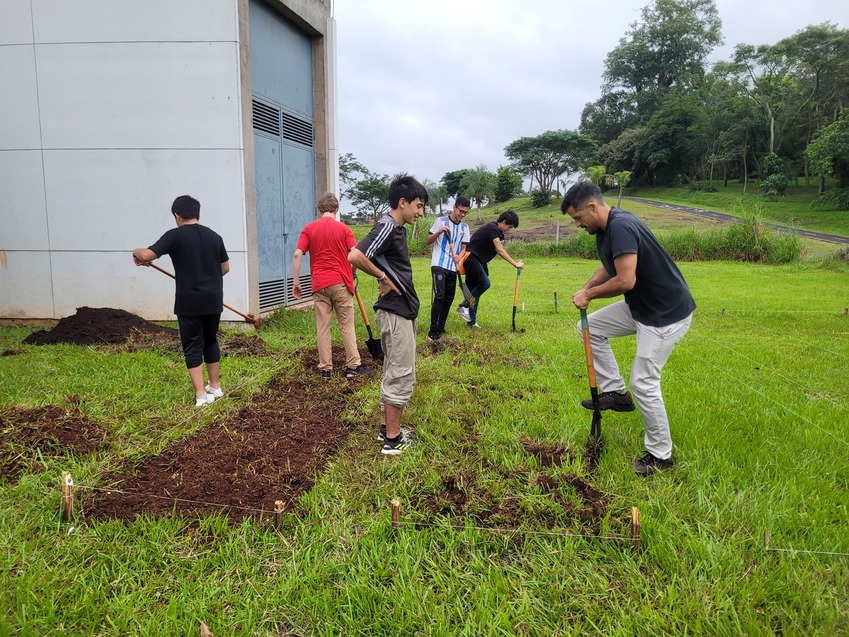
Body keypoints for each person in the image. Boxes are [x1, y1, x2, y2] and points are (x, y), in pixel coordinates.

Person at [562, 181, 696, 476]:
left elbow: (625, 280)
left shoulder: (621, 226)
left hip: (664, 314)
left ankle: (661, 456)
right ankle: (617, 394)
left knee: (644, 382)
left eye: (578, 218)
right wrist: (586, 288)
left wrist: (590, 296)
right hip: (641, 307)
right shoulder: (604, 230)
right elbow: (610, 268)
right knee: (592, 327)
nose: (577, 224)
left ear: (593, 207)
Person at [348, 173, 428, 455]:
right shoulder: (388, 226)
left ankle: (386, 431)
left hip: (399, 310)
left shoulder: (395, 229)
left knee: (394, 368)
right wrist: (382, 276)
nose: (420, 212)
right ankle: (393, 440)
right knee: (400, 373)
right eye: (418, 206)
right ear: (402, 202)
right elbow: (355, 255)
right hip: (395, 312)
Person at [133, 195, 230, 407]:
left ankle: (201, 396)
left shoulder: (175, 236)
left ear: (177, 216)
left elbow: (148, 254)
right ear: (197, 213)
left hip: (190, 301)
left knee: (192, 344)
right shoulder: (215, 236)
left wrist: (136, 252)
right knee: (210, 339)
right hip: (214, 298)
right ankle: (215, 387)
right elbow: (225, 268)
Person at [292, 192, 371, 379]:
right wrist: (352, 272)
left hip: (319, 284)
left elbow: (297, 254)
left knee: (323, 327)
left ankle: (326, 369)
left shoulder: (309, 229)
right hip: (341, 282)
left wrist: (296, 282)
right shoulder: (344, 230)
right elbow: (355, 254)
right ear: (336, 210)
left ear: (320, 210)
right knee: (346, 325)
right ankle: (353, 366)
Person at [456, 209, 524, 328]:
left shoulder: (496, 231)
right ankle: (464, 306)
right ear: (503, 221)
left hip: (478, 261)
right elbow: (500, 250)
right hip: (471, 258)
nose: (510, 230)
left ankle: (471, 322)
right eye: (510, 226)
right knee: (484, 284)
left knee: (473, 291)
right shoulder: (492, 228)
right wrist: (515, 264)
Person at [425, 196, 471, 340]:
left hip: (453, 266)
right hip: (439, 265)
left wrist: (459, 256)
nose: (462, 215)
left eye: (465, 213)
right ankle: (433, 330)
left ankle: (441, 327)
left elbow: (464, 247)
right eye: (461, 211)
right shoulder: (441, 221)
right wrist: (439, 232)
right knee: (439, 296)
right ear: (454, 207)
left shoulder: (465, 227)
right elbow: (428, 241)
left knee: (448, 298)